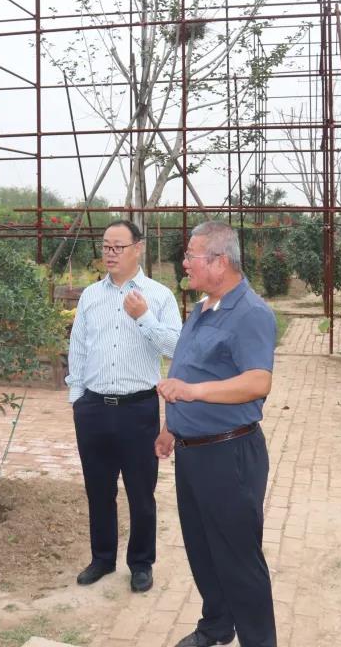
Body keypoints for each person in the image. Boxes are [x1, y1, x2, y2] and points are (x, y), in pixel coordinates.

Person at [155, 221, 277, 647]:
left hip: (230, 454)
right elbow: (186, 367)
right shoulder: (204, 307)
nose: (184, 262)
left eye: (192, 256)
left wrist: (193, 392)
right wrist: (170, 426)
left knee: (239, 558)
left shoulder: (251, 314)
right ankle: (217, 626)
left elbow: (258, 381)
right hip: (192, 451)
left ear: (220, 262)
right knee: (203, 548)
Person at [66, 219, 181, 593]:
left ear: (138, 248)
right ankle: (102, 558)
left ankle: (141, 563)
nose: (110, 253)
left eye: (118, 247)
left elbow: (175, 348)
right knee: (98, 490)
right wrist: (77, 399)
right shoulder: (90, 296)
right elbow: (78, 349)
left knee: (141, 492)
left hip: (138, 409)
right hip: (93, 408)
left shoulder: (159, 296)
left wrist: (143, 317)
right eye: (105, 246)